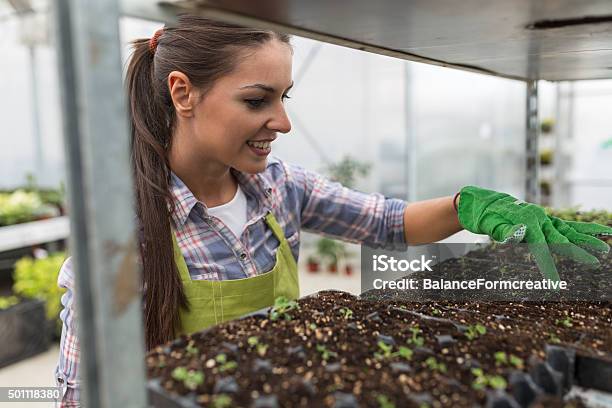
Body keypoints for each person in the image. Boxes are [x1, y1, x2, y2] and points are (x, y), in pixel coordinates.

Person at [53, 15, 612, 406]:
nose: (282, 122)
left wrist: (470, 206)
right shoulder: (121, 235)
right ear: (183, 94)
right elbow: (82, 393)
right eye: (257, 100)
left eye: (284, 98)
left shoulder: (278, 188)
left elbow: (387, 221)